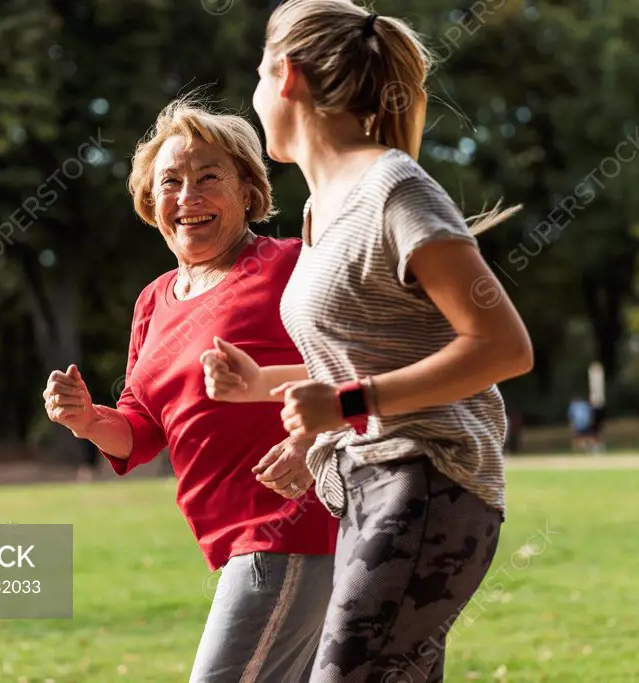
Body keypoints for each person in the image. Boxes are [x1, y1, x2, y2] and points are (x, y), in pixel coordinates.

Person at [201, 2, 534, 680]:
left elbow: (502, 346)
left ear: (285, 75)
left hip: (428, 482)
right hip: (368, 485)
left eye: (258, 76)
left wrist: (350, 404)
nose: (256, 97)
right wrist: (273, 395)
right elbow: (371, 350)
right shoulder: (322, 207)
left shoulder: (394, 189)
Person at [42, 98, 339, 683]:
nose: (188, 196)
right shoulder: (153, 302)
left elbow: (363, 363)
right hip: (233, 544)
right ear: (152, 204)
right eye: (170, 182)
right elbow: (141, 426)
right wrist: (86, 420)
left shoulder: (290, 266)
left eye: (209, 178)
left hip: (295, 529)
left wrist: (312, 438)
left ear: (249, 192)